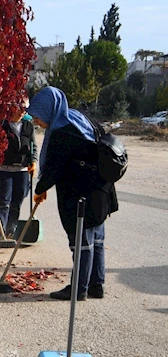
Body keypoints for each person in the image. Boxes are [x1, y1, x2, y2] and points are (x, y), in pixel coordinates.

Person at [27, 87, 118, 301]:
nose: (37, 122)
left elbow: (54, 169)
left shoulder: (63, 132)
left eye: (38, 116)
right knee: (95, 238)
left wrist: (40, 190)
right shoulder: (81, 119)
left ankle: (79, 289)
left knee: (81, 242)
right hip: (102, 190)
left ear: (50, 109)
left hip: (81, 195)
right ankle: (96, 285)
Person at [0, 100, 37, 240]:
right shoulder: (2, 125)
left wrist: (34, 162)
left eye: (25, 109)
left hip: (22, 170)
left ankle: (11, 230)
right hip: (4, 169)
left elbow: (33, 146)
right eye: (20, 109)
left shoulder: (27, 125)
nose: (23, 112)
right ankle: (0, 233)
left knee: (17, 202)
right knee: (3, 203)